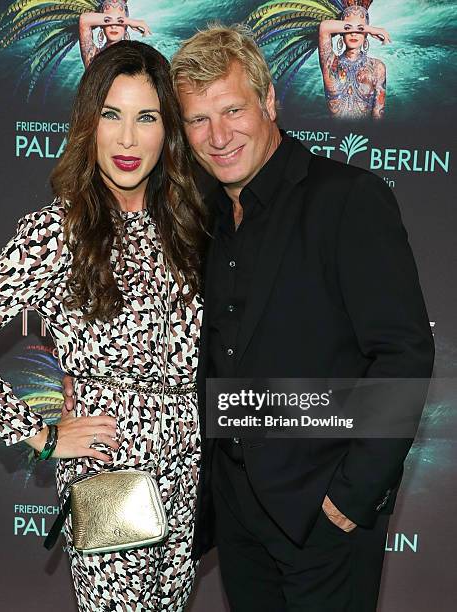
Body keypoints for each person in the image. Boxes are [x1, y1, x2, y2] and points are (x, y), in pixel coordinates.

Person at [0, 41, 207, 611]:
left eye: (146, 117)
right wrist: (42, 434)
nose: (128, 139)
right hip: (109, 464)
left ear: (167, 130)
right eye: (111, 115)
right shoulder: (57, 232)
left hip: (189, 464)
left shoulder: (190, 228)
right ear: (89, 124)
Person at [167, 24, 431, 611]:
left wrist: (351, 498)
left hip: (323, 513)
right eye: (197, 120)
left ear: (268, 102)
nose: (218, 135)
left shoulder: (345, 198)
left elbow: (404, 351)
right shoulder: (203, 217)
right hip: (236, 513)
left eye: (232, 110)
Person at [318, 1, 391, 119]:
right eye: (348, 28)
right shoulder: (331, 63)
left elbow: (378, 114)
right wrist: (368, 28)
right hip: (331, 134)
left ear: (366, 35)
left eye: (360, 30)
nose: (353, 33)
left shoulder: (377, 67)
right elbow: (324, 27)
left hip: (365, 136)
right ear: (342, 32)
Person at [79, 0, 151, 68]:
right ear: (101, 24)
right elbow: (84, 19)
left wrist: (126, 21)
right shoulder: (93, 55)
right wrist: (130, 21)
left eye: (120, 22)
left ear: (125, 25)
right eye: (107, 21)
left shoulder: (136, 56)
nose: (113, 26)